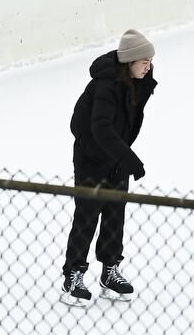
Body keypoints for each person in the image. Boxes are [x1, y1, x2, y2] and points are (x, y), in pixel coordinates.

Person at [60, 29, 157, 307]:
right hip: (91, 158)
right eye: (143, 61)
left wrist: (121, 158)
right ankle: (73, 275)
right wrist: (129, 159)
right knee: (88, 215)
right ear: (129, 62)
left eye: (150, 60)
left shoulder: (138, 84)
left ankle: (109, 271)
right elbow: (100, 129)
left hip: (115, 157)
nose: (148, 66)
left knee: (115, 215)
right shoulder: (105, 86)